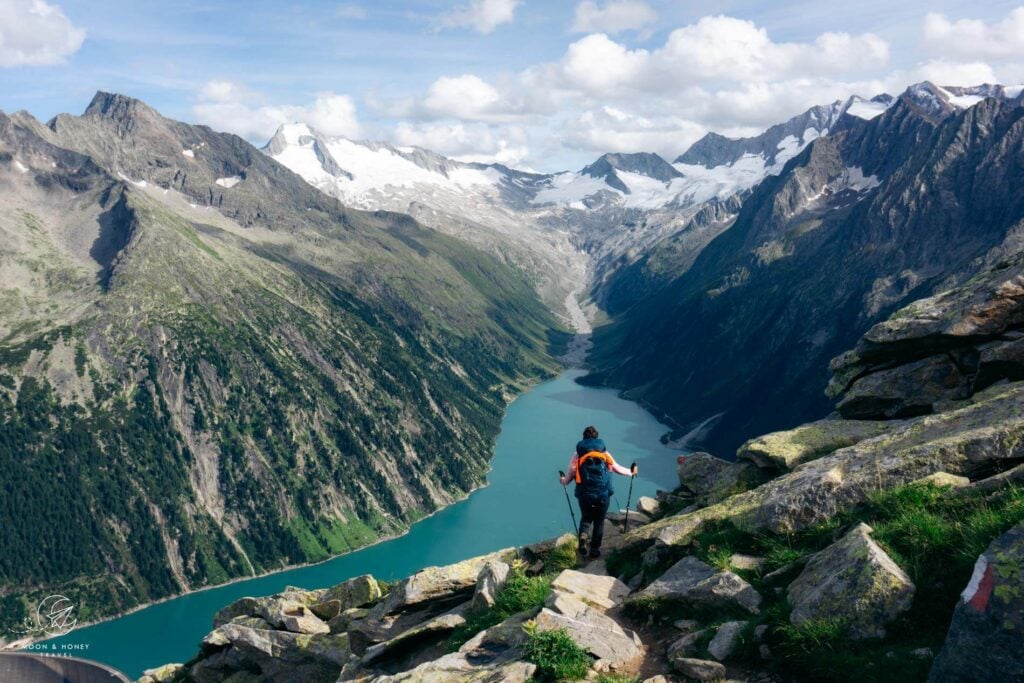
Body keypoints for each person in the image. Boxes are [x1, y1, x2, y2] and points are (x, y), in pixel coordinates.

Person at [558, 425, 637, 558]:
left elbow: (569, 476)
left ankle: (583, 537)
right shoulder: (604, 454)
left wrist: (562, 480)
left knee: (586, 518)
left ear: (583, 439)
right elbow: (618, 469)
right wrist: (632, 472)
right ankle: (594, 550)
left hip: (584, 495)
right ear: (597, 438)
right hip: (603, 494)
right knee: (599, 521)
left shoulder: (578, 454)